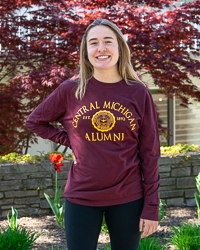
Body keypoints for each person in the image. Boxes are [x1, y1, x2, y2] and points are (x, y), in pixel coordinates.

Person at [26, 18, 160, 250]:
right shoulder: (71, 89)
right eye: (93, 43)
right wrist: (72, 141)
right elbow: (35, 121)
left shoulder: (138, 92)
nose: (101, 48)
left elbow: (150, 152)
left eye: (108, 41)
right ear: (85, 51)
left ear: (120, 48)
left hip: (128, 196)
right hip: (82, 196)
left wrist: (152, 206)